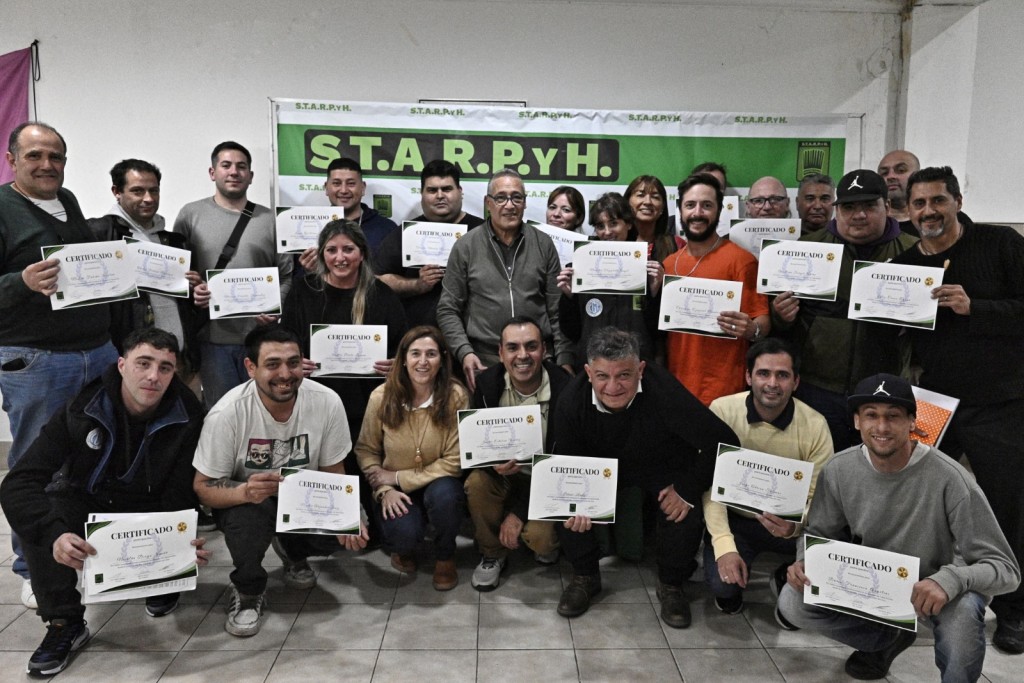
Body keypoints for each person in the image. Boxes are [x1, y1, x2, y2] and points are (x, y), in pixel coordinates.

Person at [777, 373, 1019, 682]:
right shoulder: (838, 469)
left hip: (935, 587)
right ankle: (886, 639)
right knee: (793, 601)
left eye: (893, 416)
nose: (881, 427)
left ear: (912, 422)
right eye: (871, 415)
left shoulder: (952, 479)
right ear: (856, 421)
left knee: (964, 615)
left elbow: (1006, 570)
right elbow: (820, 534)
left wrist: (951, 580)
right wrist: (804, 559)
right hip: (874, 582)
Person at [0, 328, 210, 676]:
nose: (153, 376)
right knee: (43, 513)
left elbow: (181, 491)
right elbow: (18, 483)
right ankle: (64, 623)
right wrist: (54, 535)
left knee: (174, 518)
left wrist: (178, 546)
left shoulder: (188, 413)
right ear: (122, 365)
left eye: (165, 368)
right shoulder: (82, 408)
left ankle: (161, 579)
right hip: (89, 499)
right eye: (143, 363)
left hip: (150, 505)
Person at [892, 166, 1024, 654]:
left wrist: (977, 308)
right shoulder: (906, 265)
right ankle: (908, 601)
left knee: (1007, 508)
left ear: (957, 201)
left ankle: (1014, 611)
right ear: (908, 211)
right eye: (919, 203)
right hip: (932, 404)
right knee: (917, 501)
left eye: (938, 201)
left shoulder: (1000, 244)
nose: (928, 211)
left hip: (1000, 403)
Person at [0, 122, 119, 608]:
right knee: (37, 466)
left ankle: (88, 550)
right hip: (38, 360)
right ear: (12, 160)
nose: (47, 165)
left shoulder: (66, 200)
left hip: (96, 351)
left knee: (94, 457)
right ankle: (35, 568)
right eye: (35, 156)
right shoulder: (2, 208)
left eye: (56, 156)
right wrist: (21, 282)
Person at [552, 327, 738, 628]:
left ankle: (671, 583)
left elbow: (724, 442)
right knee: (567, 508)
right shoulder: (570, 402)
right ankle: (585, 575)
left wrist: (687, 488)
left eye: (624, 375)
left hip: (660, 464)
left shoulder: (664, 390)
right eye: (602, 376)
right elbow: (564, 466)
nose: (613, 386)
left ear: (640, 369)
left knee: (683, 510)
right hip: (599, 469)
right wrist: (577, 503)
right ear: (588, 373)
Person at [192, 325, 363, 638]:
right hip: (247, 500)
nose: (285, 374)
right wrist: (245, 491)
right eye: (272, 364)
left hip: (303, 497)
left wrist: (349, 515)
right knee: (247, 523)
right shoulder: (226, 414)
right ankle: (248, 590)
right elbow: (203, 487)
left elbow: (333, 470)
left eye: (293, 363)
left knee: (346, 531)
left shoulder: (327, 401)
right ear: (250, 367)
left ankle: (292, 550)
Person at [771, 169, 917, 451]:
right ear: (837, 210)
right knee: (821, 465)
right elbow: (780, 322)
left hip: (883, 390)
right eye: (849, 207)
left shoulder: (915, 253)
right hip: (817, 387)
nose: (858, 215)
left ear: (887, 206)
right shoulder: (807, 248)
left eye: (869, 206)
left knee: (878, 466)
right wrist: (781, 315)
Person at [282, 220, 407, 539]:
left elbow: (404, 347)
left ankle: (365, 524)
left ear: (362, 253)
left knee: (362, 469)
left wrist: (396, 364)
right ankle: (326, 528)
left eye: (348, 249)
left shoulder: (381, 294)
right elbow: (285, 340)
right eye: (332, 250)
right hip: (315, 400)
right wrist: (296, 362)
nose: (340, 257)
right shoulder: (303, 290)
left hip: (366, 403)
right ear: (321, 254)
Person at [704, 338, 833, 615]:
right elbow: (710, 487)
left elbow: (820, 499)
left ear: (796, 382)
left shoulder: (815, 425)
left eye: (782, 375)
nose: (772, 383)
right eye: (763, 373)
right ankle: (733, 582)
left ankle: (784, 576)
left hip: (791, 526)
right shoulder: (722, 410)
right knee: (723, 588)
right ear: (748, 376)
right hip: (738, 520)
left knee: (819, 574)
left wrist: (795, 526)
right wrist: (725, 547)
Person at [174, 140, 293, 408]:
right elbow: (177, 273)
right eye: (226, 165)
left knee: (264, 412)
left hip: (261, 340)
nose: (234, 172)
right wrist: (193, 290)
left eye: (241, 167)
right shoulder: (190, 215)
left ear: (251, 175)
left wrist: (275, 308)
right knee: (222, 413)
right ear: (212, 172)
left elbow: (287, 275)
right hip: (212, 340)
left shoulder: (271, 220)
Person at [436, 168, 572, 394]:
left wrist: (564, 358)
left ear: (525, 203)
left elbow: (557, 310)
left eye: (516, 197)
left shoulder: (543, 244)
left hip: (537, 361)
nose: (509, 205)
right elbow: (447, 309)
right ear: (488, 203)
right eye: (501, 198)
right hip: (484, 362)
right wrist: (464, 352)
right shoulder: (466, 247)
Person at [355, 326, 469, 590]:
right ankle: (403, 547)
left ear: (442, 359)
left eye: (431, 354)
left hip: (438, 481)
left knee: (447, 496)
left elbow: (454, 461)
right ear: (403, 359)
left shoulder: (456, 396)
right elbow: (366, 450)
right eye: (415, 353)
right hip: (393, 488)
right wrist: (384, 490)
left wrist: (396, 477)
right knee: (403, 535)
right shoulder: (381, 397)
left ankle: (445, 556)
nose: (423, 361)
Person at [465, 316, 571, 590]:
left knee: (541, 540)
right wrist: (492, 465)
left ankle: (540, 539)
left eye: (531, 346)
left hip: (548, 482)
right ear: (500, 353)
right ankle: (492, 553)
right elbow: (475, 448)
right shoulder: (486, 384)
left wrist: (518, 513)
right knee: (476, 483)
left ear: (544, 350)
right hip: (504, 476)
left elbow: (567, 461)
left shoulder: (566, 388)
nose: (522, 355)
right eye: (513, 347)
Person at [663, 174, 770, 406]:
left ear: (719, 211)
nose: (697, 213)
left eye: (707, 205)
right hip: (675, 388)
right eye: (690, 205)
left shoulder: (742, 261)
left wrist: (752, 330)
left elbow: (763, 320)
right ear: (680, 210)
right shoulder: (669, 264)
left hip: (724, 392)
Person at [88, 158, 199, 374]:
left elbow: (190, 307)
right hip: (128, 364)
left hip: (179, 360)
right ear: (116, 192)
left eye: (154, 191)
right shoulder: (98, 234)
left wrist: (196, 291)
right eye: (137, 191)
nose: (148, 198)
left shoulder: (176, 242)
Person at [557, 192, 663, 370]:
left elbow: (658, 333)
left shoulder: (649, 269)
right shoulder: (579, 268)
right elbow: (571, 332)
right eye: (600, 226)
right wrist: (569, 298)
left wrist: (654, 294)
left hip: (637, 367)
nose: (606, 232)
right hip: (593, 368)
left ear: (628, 224)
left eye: (613, 223)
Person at [375, 160, 483, 327]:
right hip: (419, 334)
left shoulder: (482, 231)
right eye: (432, 190)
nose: (440, 195)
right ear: (422, 194)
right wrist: (418, 285)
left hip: (472, 333)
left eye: (447, 189)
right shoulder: (406, 232)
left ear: (460, 191)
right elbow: (379, 279)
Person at [319, 156, 398, 257]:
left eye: (351, 184)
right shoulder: (314, 226)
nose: (343, 190)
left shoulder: (386, 229)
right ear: (326, 188)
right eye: (337, 183)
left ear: (363, 188)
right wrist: (309, 266)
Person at [624, 175, 681, 261]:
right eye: (641, 195)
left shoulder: (677, 245)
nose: (648, 202)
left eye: (655, 197)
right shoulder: (615, 241)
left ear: (663, 207)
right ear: (627, 201)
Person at [876, 149, 920, 234]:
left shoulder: (930, 220)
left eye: (901, 170)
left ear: (917, 175)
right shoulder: (871, 224)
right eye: (884, 173)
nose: (890, 176)